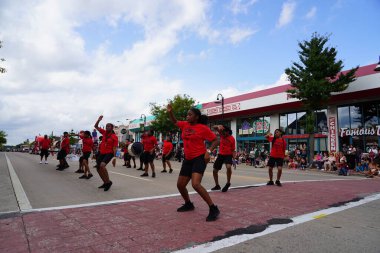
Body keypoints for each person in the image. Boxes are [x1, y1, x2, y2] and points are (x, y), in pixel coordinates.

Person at [167, 104, 220, 222]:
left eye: (190, 115)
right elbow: (174, 121)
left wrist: (209, 151)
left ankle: (213, 208)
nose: (187, 116)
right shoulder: (184, 125)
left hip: (199, 158)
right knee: (180, 185)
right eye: (187, 114)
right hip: (188, 159)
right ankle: (188, 204)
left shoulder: (203, 128)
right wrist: (170, 112)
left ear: (196, 117)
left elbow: (216, 140)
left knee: (195, 184)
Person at [94, 115, 118, 191]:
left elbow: (115, 147)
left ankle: (108, 182)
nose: (107, 127)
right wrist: (98, 120)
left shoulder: (114, 136)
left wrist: (114, 157)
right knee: (98, 168)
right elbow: (96, 126)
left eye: (108, 126)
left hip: (109, 153)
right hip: (102, 152)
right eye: (106, 126)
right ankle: (105, 182)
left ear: (112, 128)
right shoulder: (104, 133)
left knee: (102, 165)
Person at [211, 125, 236, 192]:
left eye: (225, 133)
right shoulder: (222, 134)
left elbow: (233, 150)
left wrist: (234, 159)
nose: (223, 134)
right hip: (221, 155)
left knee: (228, 167)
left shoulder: (232, 139)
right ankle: (217, 185)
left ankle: (228, 183)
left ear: (228, 132)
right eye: (222, 132)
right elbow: (214, 127)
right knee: (214, 170)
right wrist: (219, 126)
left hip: (228, 155)